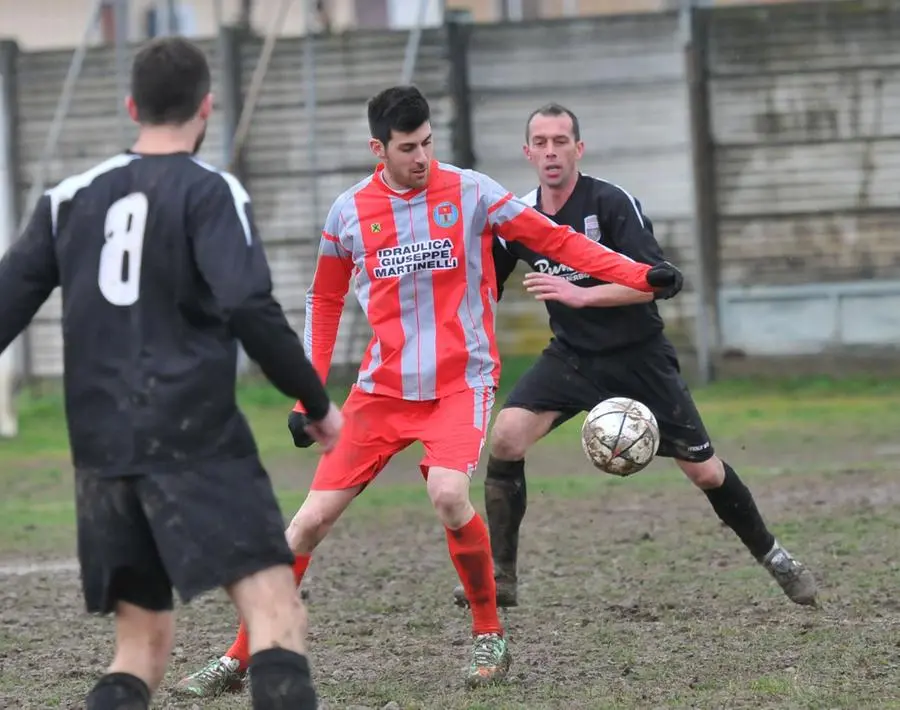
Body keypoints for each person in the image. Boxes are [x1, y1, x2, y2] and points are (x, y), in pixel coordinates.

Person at [175, 85, 684, 697]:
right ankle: (241, 654)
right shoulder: (348, 212)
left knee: (448, 494)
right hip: (381, 391)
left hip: (459, 384)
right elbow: (325, 299)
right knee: (304, 526)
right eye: (407, 148)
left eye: (427, 144)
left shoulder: (471, 191)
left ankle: (489, 633)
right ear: (378, 148)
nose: (421, 157)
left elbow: (554, 240)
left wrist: (637, 274)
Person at [0, 37, 343, 710]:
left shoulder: (68, 198)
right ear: (207, 107)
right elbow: (248, 303)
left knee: (142, 646)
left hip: (101, 450)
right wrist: (314, 400)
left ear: (132, 106)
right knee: (278, 615)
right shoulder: (210, 191)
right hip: (195, 436)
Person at [451, 102, 818, 611]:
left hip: (639, 357)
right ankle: (502, 575)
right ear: (528, 152)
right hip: (573, 357)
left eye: (562, 141)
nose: (552, 151)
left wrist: (581, 294)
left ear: (579, 148)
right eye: (542, 142)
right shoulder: (519, 216)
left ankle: (776, 557)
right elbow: (480, 284)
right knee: (508, 437)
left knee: (705, 472)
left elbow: (657, 283)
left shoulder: (612, 202)